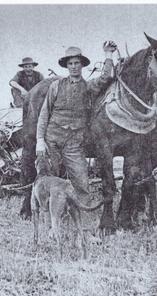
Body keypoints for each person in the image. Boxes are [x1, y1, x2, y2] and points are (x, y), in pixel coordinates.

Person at [36, 41, 117, 202]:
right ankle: (51, 218)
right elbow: (44, 114)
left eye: (77, 63)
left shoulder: (88, 87)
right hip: (52, 142)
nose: (73, 66)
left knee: (82, 185)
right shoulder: (56, 86)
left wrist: (108, 54)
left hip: (73, 145)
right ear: (67, 66)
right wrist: (39, 140)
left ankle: (84, 223)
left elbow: (105, 77)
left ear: (81, 65)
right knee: (49, 182)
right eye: (70, 63)